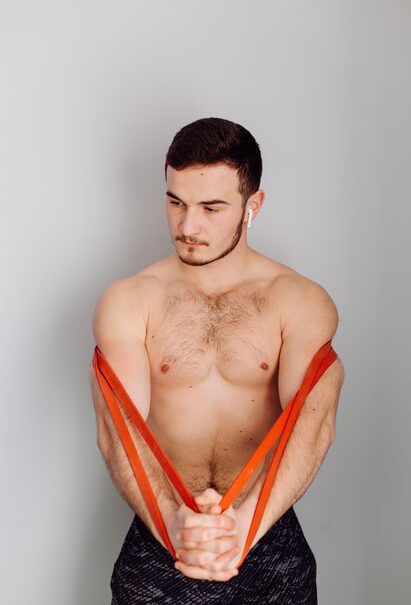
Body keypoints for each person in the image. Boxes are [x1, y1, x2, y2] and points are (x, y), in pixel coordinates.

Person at [89, 117, 344, 604]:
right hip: (160, 532)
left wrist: (240, 532)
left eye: (211, 207)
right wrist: (173, 525)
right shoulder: (129, 300)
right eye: (175, 202)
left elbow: (313, 426)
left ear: (254, 206)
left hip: (266, 537)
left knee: (329, 374)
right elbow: (116, 430)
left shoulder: (298, 301)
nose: (188, 226)